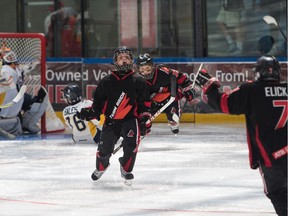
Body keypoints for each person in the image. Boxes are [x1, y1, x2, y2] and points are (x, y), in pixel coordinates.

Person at [195, 55, 287, 216]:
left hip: (270, 156)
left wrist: (208, 86)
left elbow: (224, 104)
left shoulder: (251, 90)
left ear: (258, 72)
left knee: (277, 192)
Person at [77, 46, 151, 183]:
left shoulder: (139, 81)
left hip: (130, 120)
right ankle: (102, 166)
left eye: (127, 58)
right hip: (111, 121)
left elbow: (144, 104)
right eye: (120, 58)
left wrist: (144, 120)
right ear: (115, 61)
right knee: (104, 150)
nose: (124, 60)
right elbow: (98, 105)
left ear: (131, 61)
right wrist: (91, 113)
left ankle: (126, 169)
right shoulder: (106, 82)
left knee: (131, 147)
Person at [136, 53, 195, 134]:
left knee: (174, 120)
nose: (145, 72)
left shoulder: (163, 71)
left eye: (148, 69)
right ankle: (144, 128)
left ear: (152, 66)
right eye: (142, 70)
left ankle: (172, 119)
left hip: (170, 99)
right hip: (152, 102)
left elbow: (179, 76)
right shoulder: (137, 80)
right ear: (138, 69)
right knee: (144, 122)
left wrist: (188, 87)